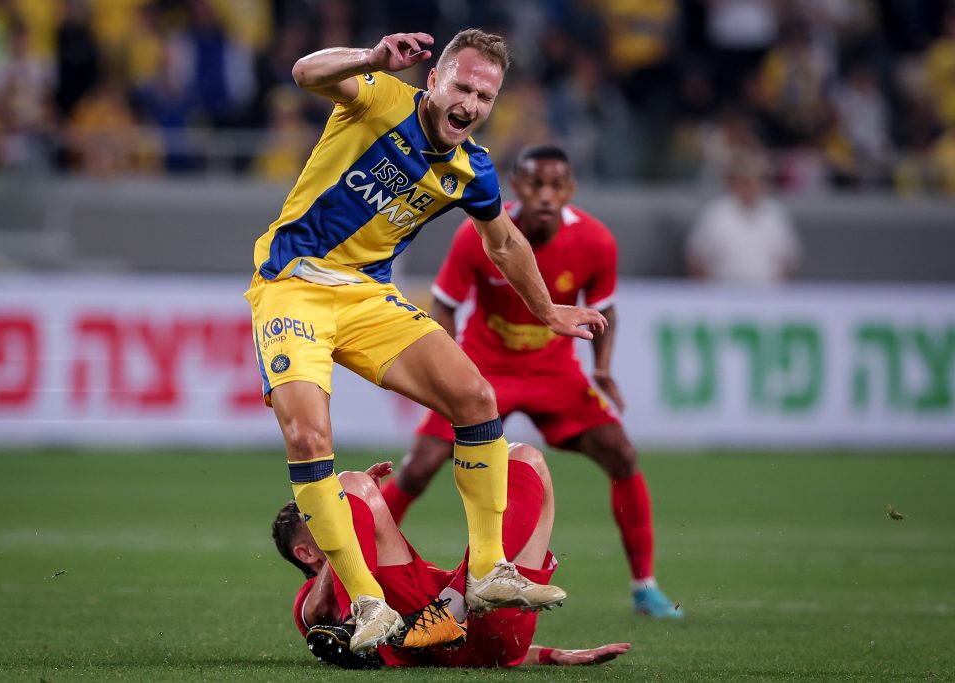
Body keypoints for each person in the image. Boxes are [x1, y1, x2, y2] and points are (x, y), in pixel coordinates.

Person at [246, 30, 607, 653]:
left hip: (367, 297)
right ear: (434, 80)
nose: (470, 103)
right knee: (308, 438)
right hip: (294, 285)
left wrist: (547, 310)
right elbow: (305, 72)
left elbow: (504, 242)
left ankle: (489, 570)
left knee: (476, 398)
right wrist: (370, 58)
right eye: (462, 86)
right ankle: (367, 602)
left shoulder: (472, 169)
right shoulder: (381, 97)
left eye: (484, 96)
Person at [381, 144, 683, 618]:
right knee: (419, 466)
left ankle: (645, 586)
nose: (545, 194)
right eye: (535, 184)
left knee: (622, 454)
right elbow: (445, 305)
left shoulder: (596, 241)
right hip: (486, 366)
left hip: (553, 371)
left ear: (570, 189)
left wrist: (602, 366)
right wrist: (447, 367)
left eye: (555, 185)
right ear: (517, 186)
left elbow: (605, 309)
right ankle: (360, 567)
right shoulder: (479, 233)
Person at [272, 444, 632, 669]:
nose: (329, 517)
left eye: (328, 514)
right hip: (410, 628)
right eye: (316, 518)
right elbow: (317, 614)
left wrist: (550, 654)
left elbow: (473, 653)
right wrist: (344, 516)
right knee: (350, 482)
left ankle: (468, 592)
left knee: (527, 457)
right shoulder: (309, 601)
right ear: (305, 552)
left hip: (483, 637)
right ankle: (451, 601)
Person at [686, 151, 802, 282]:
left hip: (768, 291)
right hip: (722, 291)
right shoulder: (714, 213)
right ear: (734, 180)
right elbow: (696, 258)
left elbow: (788, 260)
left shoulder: (775, 213)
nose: (751, 185)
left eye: (758, 179)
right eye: (745, 179)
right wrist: (705, 292)